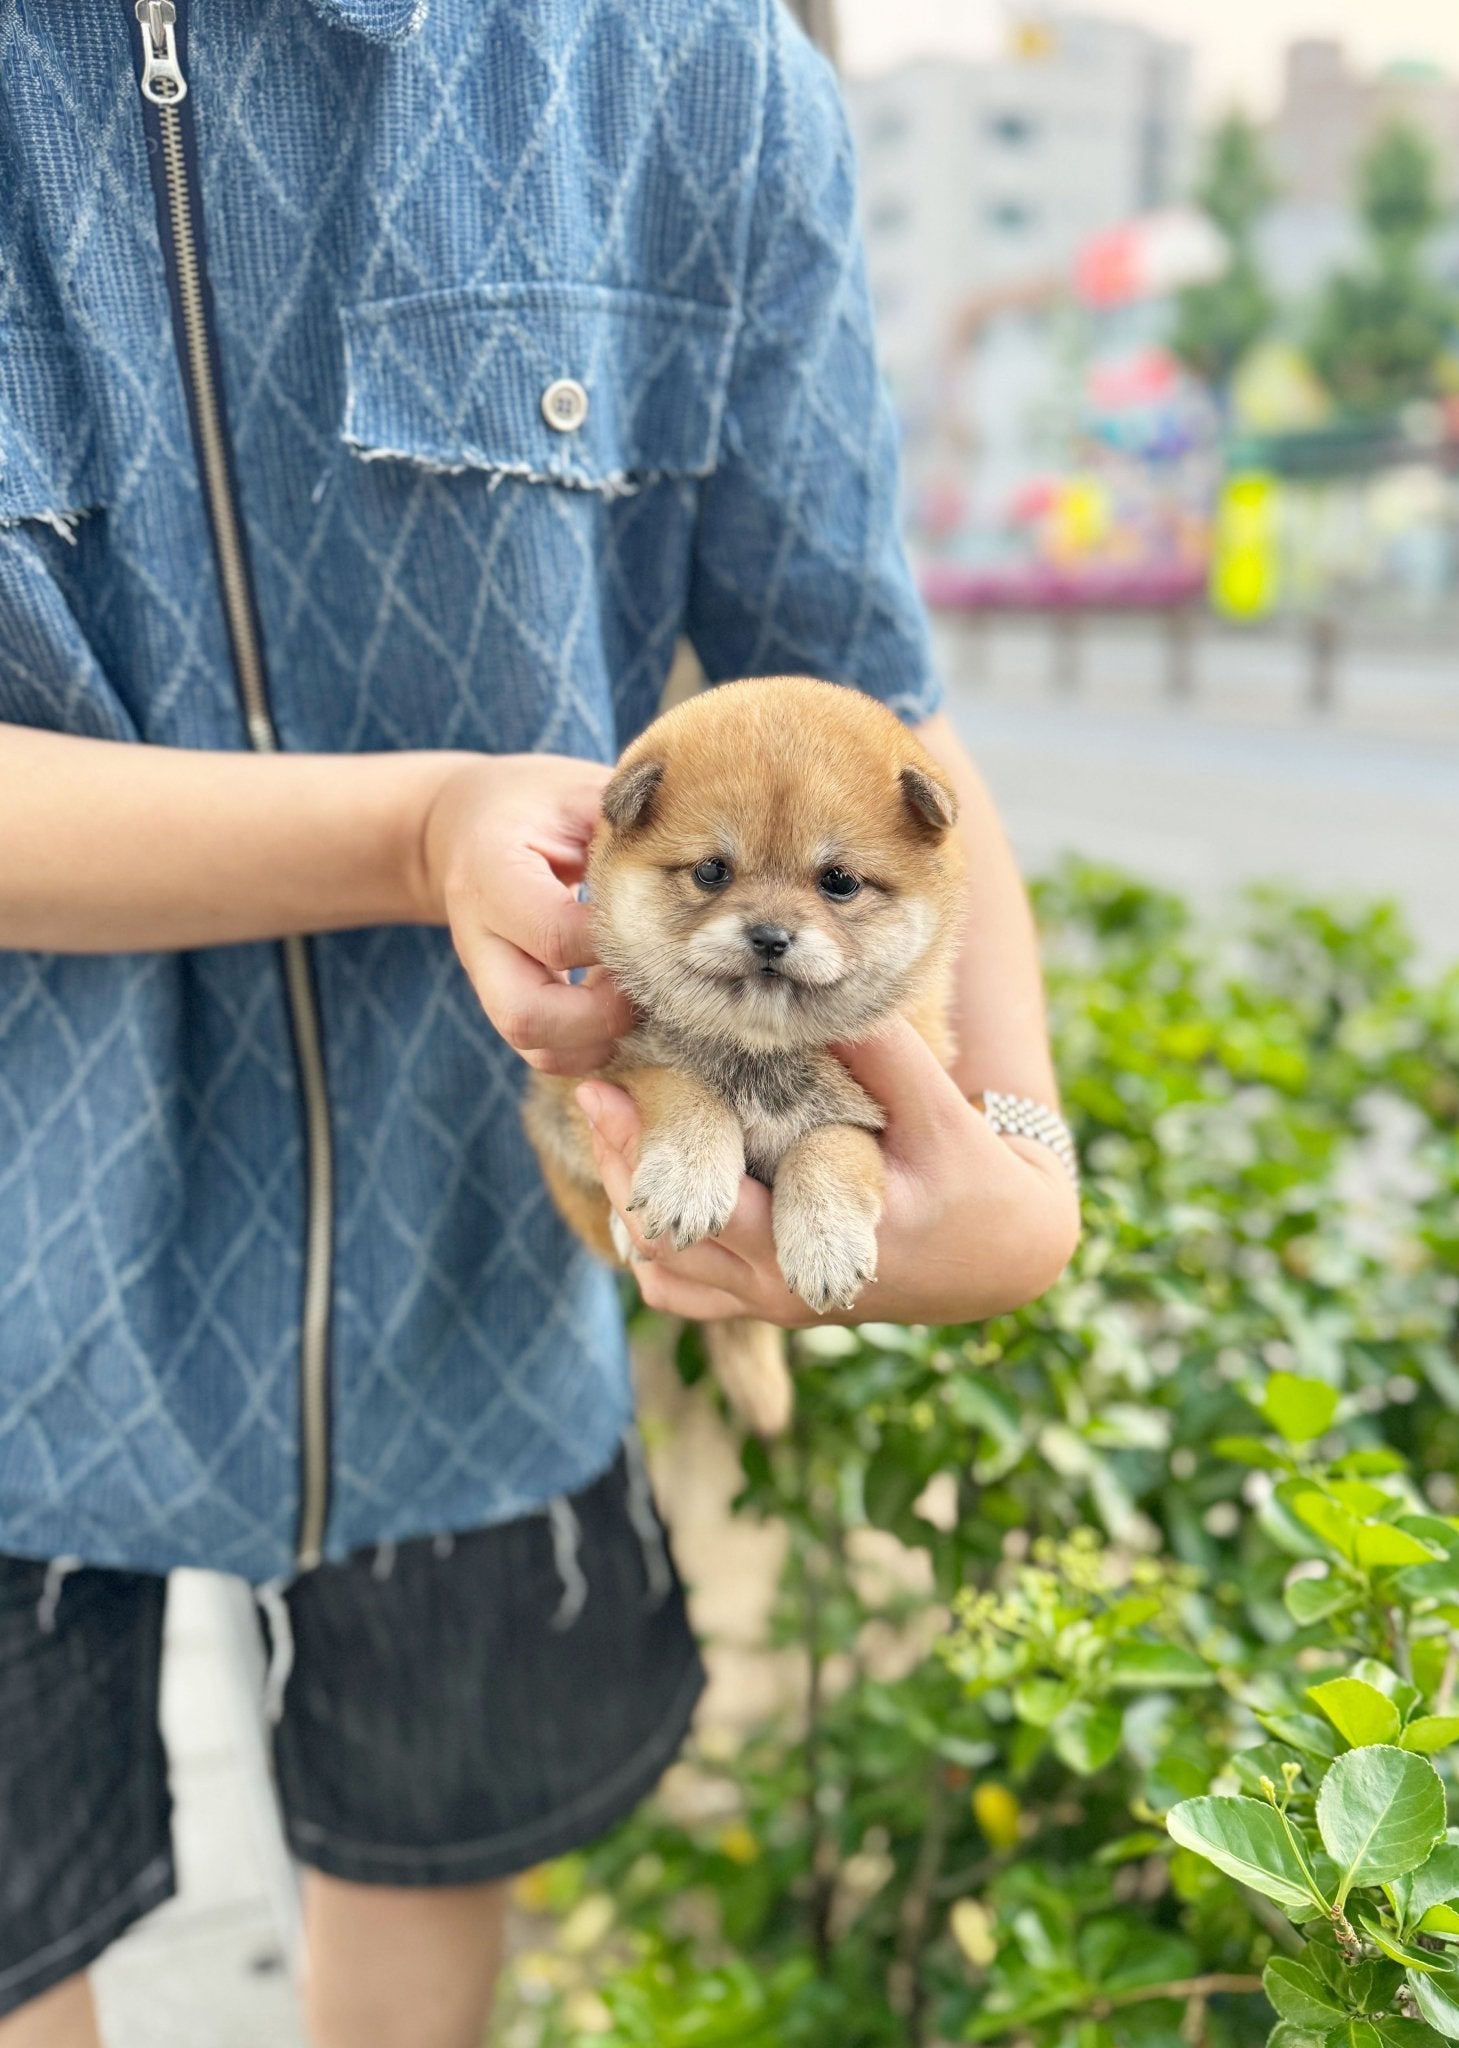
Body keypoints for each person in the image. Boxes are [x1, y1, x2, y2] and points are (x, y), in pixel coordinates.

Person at [0, 2, 1080, 2044]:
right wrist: (413, 830)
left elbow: (862, 700)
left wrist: (1014, 1159)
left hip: (492, 1262)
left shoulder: (686, 71)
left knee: (430, 1898)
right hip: (14, 1251)